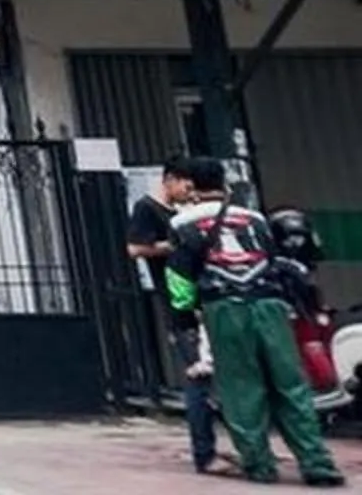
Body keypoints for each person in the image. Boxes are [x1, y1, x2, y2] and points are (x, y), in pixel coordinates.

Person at [170, 157, 346, 487]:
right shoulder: (254, 218)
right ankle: (317, 463)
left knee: (242, 389)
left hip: (225, 308)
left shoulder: (183, 224)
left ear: (192, 187)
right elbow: (273, 260)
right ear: (224, 184)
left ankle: (259, 464)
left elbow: (180, 283)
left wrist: (185, 324)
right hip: (269, 305)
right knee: (291, 386)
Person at [126, 155, 216, 472]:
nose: (188, 192)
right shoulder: (147, 209)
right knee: (197, 373)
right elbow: (135, 248)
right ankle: (204, 452)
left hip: (204, 298)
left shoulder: (183, 212)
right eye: (184, 185)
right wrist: (174, 245)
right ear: (169, 180)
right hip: (178, 299)